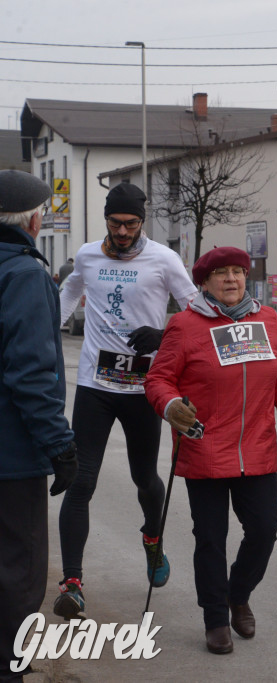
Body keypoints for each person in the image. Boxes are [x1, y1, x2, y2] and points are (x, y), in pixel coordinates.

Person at [145, 246, 277, 655]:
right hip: (204, 448)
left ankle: (238, 594)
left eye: (238, 272)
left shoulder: (267, 320)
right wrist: (171, 407)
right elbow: (158, 380)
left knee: (264, 528)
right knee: (210, 539)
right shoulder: (184, 326)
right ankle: (216, 617)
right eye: (222, 274)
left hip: (256, 448)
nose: (232, 280)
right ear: (204, 282)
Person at [54, 182, 198, 619]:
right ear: (106, 220)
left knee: (144, 480)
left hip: (143, 387)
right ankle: (73, 582)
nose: (122, 231)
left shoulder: (164, 259)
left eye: (131, 224)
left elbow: (195, 309)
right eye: (115, 223)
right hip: (96, 385)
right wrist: (45, 329)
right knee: (82, 481)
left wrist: (165, 332)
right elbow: (68, 292)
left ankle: (152, 537)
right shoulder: (86, 256)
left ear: (142, 221)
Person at [0, 170, 77, 683]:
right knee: (19, 571)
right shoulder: (25, 274)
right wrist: (60, 445)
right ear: (32, 219)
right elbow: (31, 372)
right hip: (11, 454)